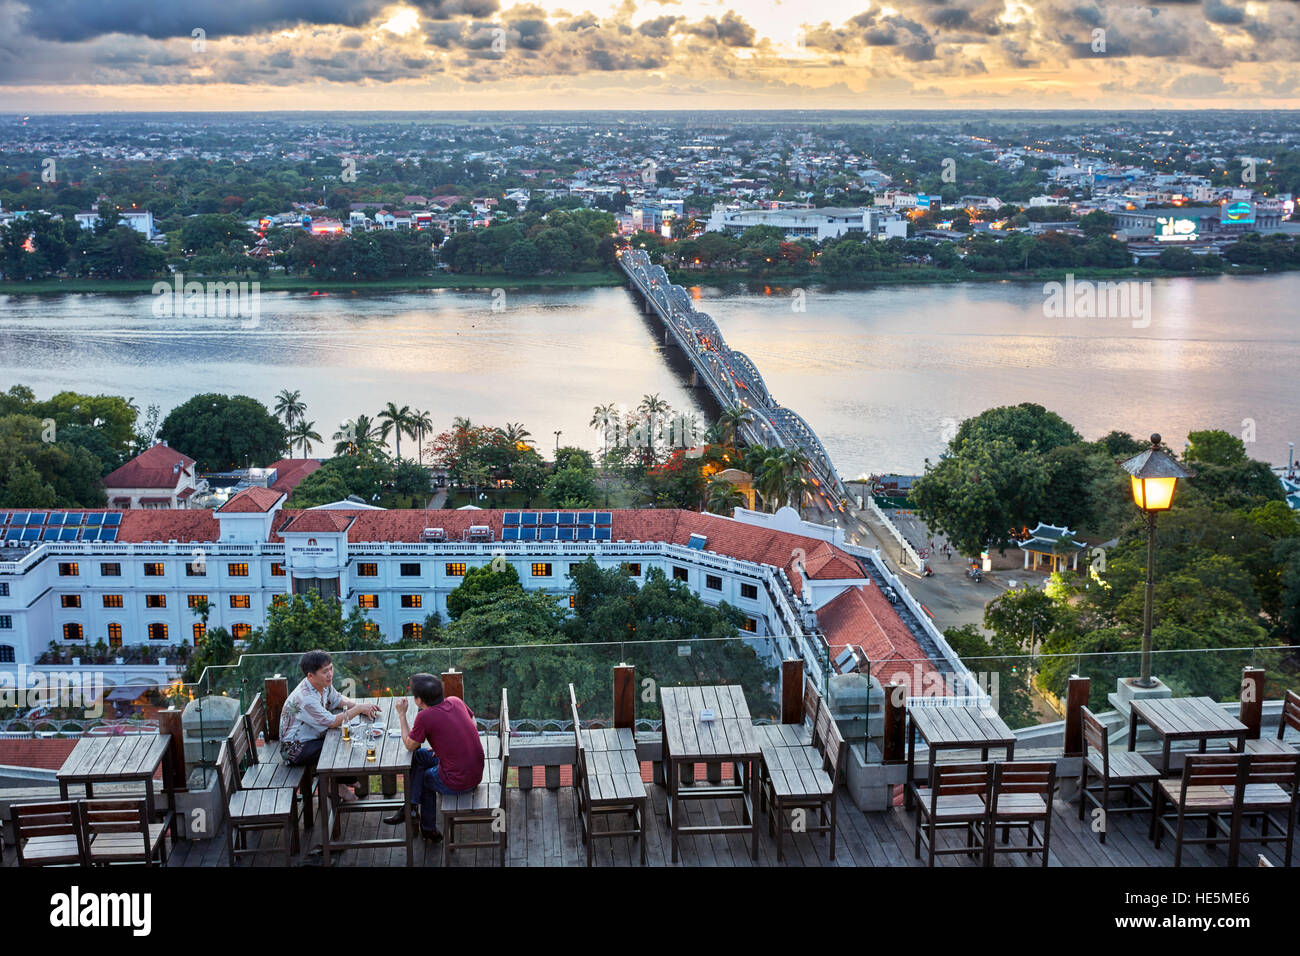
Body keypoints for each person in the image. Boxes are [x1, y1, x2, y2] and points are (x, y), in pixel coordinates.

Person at [385, 674, 485, 842]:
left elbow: (409, 745)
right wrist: (447, 746)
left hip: (461, 780)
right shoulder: (455, 701)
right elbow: (472, 723)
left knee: (424, 779)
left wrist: (402, 715)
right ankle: (411, 807)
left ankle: (427, 827)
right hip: (475, 769)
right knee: (419, 758)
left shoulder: (425, 717)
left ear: (418, 701)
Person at [279, 649, 379, 801]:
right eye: (325, 671)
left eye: (331, 668)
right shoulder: (306, 698)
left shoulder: (323, 684)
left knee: (346, 738)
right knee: (341, 745)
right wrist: (359, 709)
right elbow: (331, 723)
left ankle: (342, 781)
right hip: (295, 749)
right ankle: (338, 784)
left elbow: (338, 699)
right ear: (310, 676)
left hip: (313, 738)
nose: (330, 674)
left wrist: (361, 706)